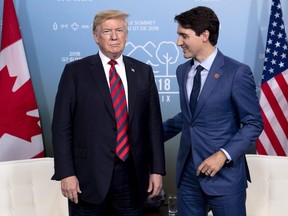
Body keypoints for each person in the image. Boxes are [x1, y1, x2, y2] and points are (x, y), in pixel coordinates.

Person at [51, 10, 165, 216]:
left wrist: (157, 170)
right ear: (96, 36)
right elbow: (61, 127)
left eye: (119, 30)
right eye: (107, 31)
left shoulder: (143, 72)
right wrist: (66, 173)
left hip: (132, 177)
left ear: (126, 35)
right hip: (87, 179)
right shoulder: (75, 72)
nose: (114, 36)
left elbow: (154, 126)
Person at [163, 6, 263, 216]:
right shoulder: (182, 71)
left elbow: (254, 123)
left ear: (205, 36)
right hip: (188, 177)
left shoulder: (237, 72)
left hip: (224, 177)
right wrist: (148, 134)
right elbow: (189, 117)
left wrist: (223, 155)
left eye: (184, 36)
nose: (178, 42)